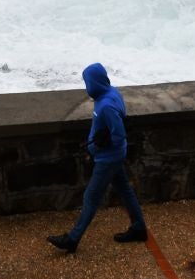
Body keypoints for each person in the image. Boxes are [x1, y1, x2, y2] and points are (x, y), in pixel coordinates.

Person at [47, 62, 148, 253]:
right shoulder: (109, 93)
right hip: (112, 156)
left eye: (88, 83)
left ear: (95, 82)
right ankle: (139, 228)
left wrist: (103, 141)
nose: (87, 87)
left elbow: (118, 136)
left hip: (108, 158)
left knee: (91, 196)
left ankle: (73, 239)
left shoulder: (106, 105)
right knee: (125, 190)